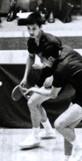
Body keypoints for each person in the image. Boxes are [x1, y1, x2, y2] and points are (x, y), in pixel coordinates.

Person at [28, 41, 82, 161]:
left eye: (42, 59)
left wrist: (34, 89)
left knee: (59, 125)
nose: (41, 61)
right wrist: (48, 70)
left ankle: (80, 147)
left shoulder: (61, 69)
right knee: (67, 128)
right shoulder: (65, 50)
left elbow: (53, 94)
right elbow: (64, 65)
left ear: (50, 58)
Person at [16, 11, 58, 150]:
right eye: (28, 28)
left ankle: (35, 137)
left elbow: (62, 62)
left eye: (34, 28)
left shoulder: (51, 42)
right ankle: (48, 131)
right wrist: (25, 76)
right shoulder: (31, 42)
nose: (31, 32)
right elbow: (31, 57)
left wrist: (53, 76)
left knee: (32, 102)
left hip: (58, 76)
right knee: (36, 103)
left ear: (41, 27)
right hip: (45, 75)